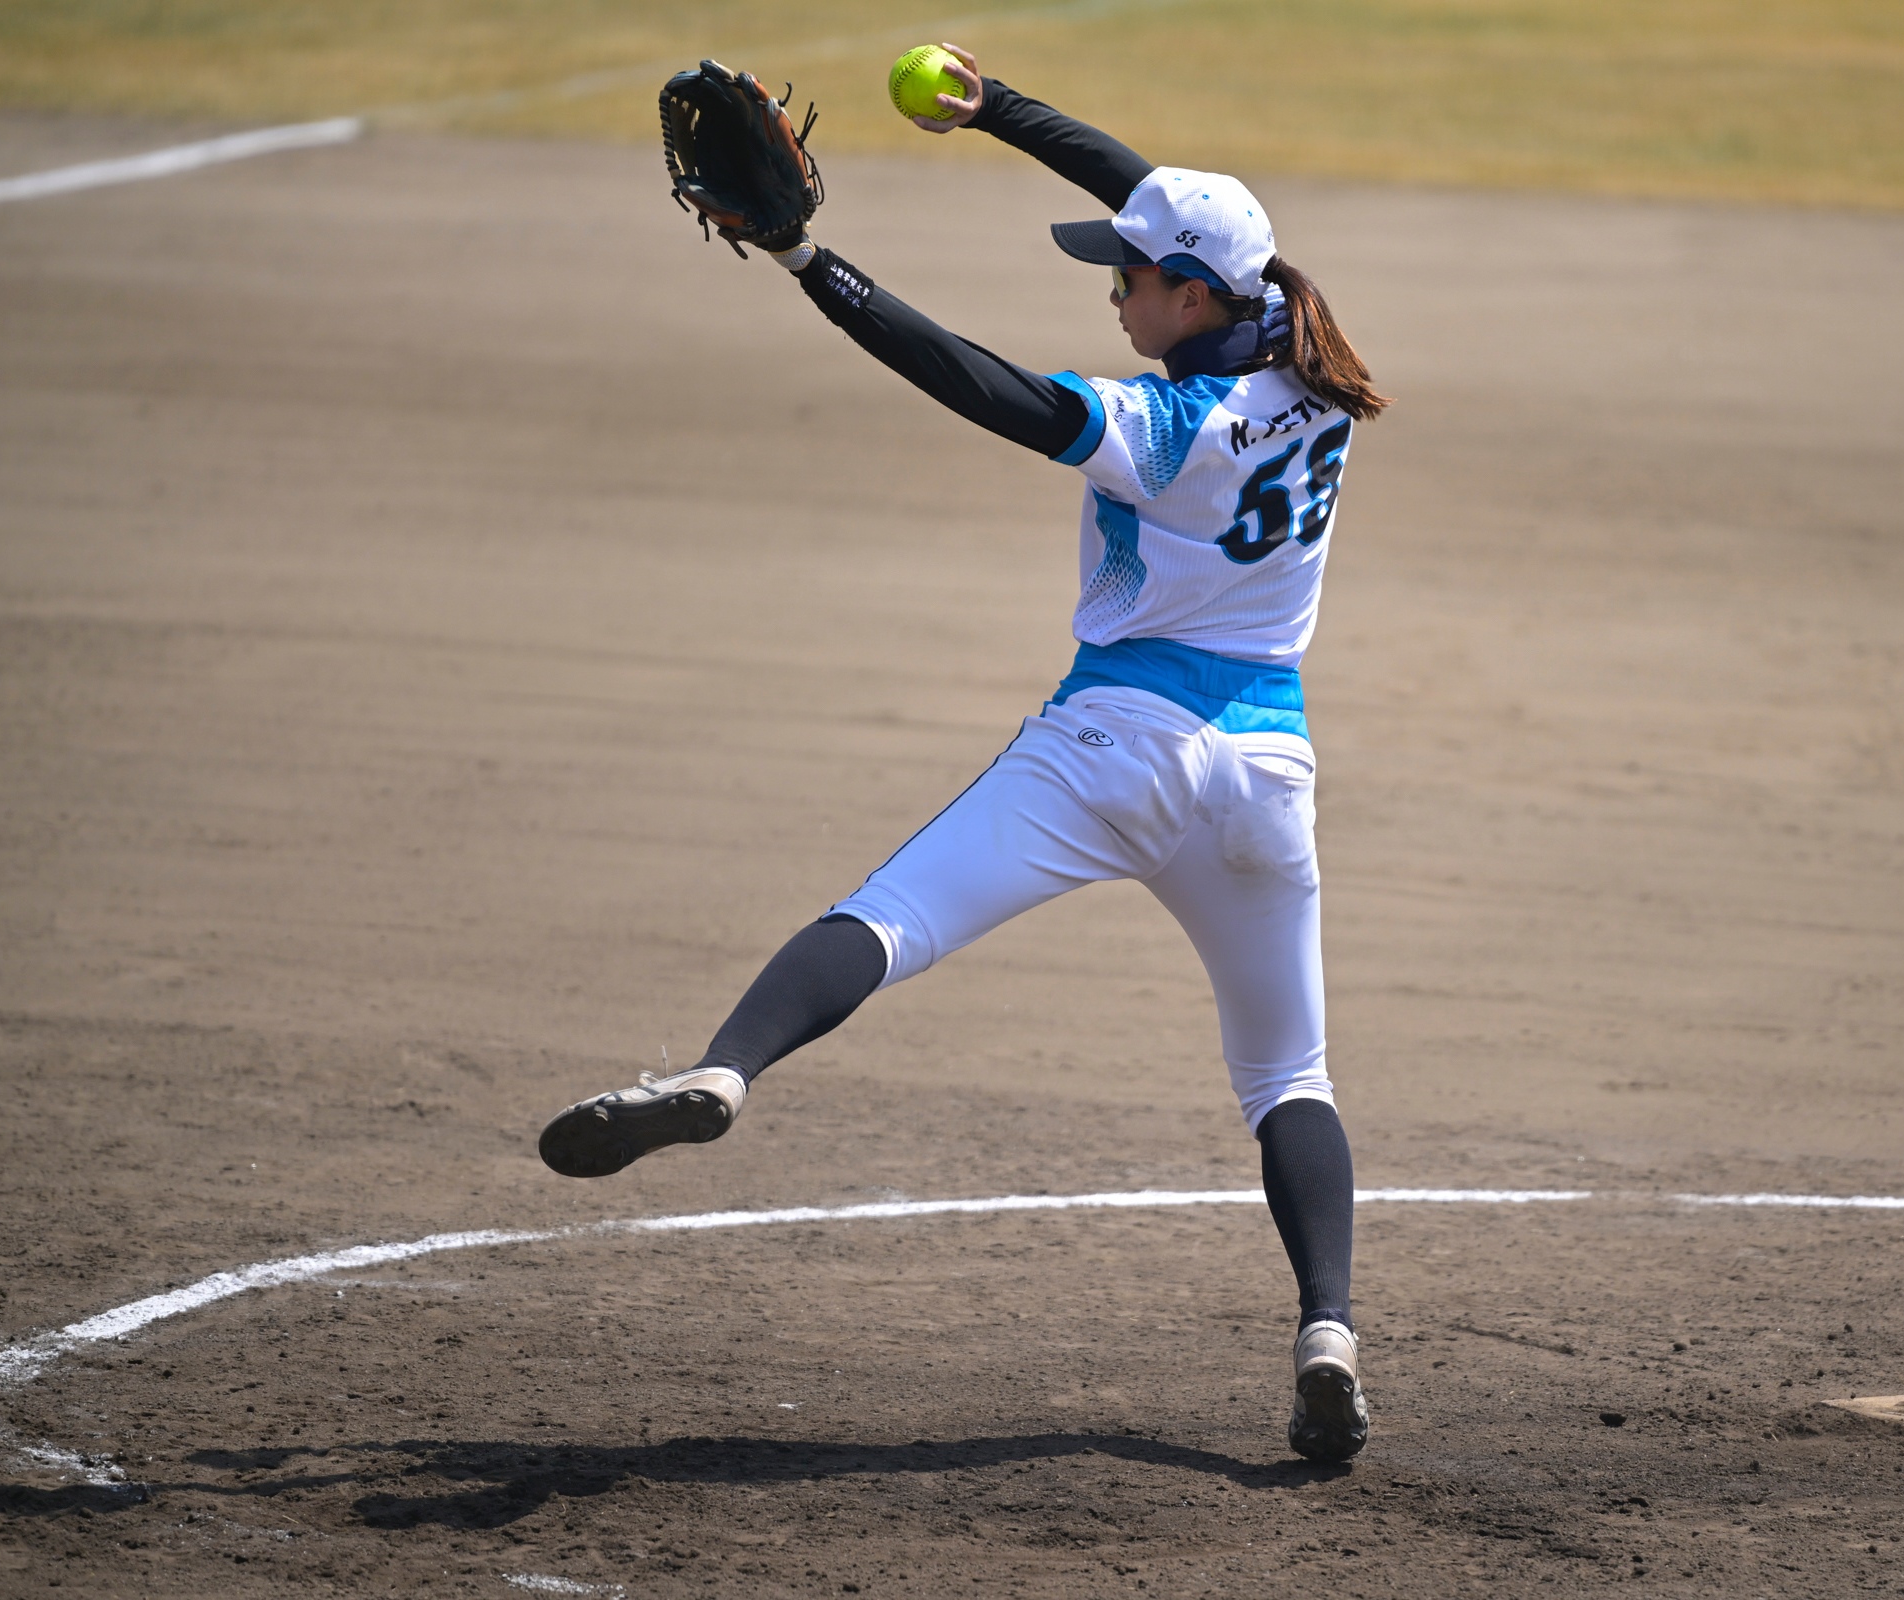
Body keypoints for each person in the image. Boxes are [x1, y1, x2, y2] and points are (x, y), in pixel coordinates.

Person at [539, 44, 1390, 1464]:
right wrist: (999, 113)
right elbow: (1150, 193)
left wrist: (809, 263)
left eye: (1128, 277)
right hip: (1263, 779)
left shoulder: (1162, 427)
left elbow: (974, 382)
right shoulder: (1309, 364)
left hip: (1114, 752)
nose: (1111, 292)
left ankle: (725, 1074)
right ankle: (1329, 1335)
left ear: (1192, 297)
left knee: (888, 918)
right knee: (1289, 1079)